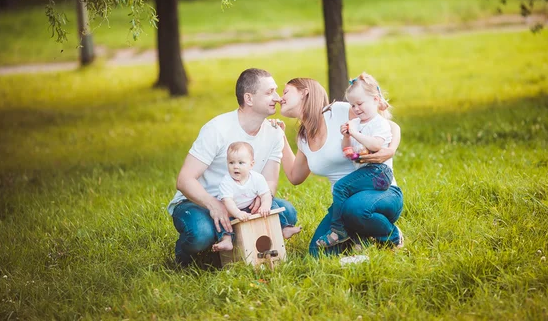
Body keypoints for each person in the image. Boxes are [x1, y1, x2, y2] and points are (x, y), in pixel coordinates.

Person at [168, 68, 298, 266]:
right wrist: (215, 205)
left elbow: (270, 180)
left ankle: (230, 245)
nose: (278, 97)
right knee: (200, 234)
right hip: (200, 201)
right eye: (269, 92)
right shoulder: (217, 128)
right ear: (249, 98)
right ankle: (185, 257)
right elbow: (185, 180)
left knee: (287, 212)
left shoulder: (274, 133)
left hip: (243, 201)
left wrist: (262, 199)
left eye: (276, 91)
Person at [276, 77, 403, 257]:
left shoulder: (338, 112)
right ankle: (360, 236)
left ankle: (390, 234)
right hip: (343, 206)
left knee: (355, 208)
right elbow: (295, 177)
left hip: (381, 192)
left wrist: (390, 150)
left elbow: (390, 125)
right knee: (316, 254)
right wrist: (279, 137)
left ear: (304, 92)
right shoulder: (303, 137)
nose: (280, 98)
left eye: (285, 92)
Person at [315, 72, 396, 247]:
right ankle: (361, 238)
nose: (356, 108)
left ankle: (338, 230)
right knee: (346, 197)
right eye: (353, 105)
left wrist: (355, 133)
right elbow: (348, 152)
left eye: (360, 103)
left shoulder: (379, 123)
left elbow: (375, 145)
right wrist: (346, 136)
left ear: (375, 100)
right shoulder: (357, 124)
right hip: (366, 173)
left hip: (380, 173)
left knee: (341, 187)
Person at [212, 141, 301, 252]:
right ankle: (226, 240)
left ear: (251, 164)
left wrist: (265, 206)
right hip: (233, 210)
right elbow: (228, 201)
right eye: (231, 162)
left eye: (241, 163)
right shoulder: (227, 181)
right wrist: (238, 213)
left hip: (251, 206)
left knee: (273, 204)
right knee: (222, 218)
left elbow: (265, 194)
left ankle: (285, 227)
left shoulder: (257, 178)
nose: (235, 167)